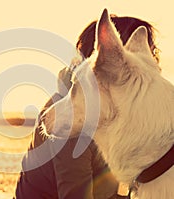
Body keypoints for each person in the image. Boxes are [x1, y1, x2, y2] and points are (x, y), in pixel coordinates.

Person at [14, 14, 159, 199]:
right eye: (140, 55)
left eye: (150, 53)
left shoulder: (116, 111)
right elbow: (74, 195)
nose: (151, 63)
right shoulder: (70, 117)